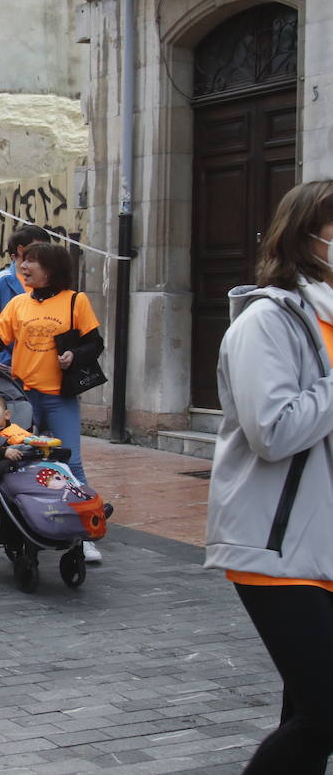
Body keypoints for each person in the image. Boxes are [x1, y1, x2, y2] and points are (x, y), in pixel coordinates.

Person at [205, 180, 333, 775]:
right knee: (324, 715)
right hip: (277, 546)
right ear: (310, 235)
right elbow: (274, 431)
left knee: (309, 710)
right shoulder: (267, 322)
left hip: (325, 544)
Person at [0, 241, 103, 561]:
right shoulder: (18, 303)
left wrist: (74, 354)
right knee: (23, 459)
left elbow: (95, 344)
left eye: (32, 262)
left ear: (51, 269)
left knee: (70, 461)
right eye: (24, 261)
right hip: (24, 397)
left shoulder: (76, 301)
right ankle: (27, 522)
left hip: (58, 398)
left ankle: (83, 532)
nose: (23, 267)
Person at [0, 225, 52, 375]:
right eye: (40, 248)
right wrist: (11, 367)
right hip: (12, 378)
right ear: (21, 250)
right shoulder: (0, 282)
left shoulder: (51, 283)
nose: (46, 254)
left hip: (47, 377)